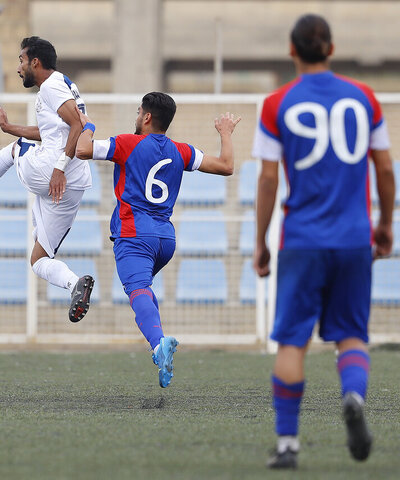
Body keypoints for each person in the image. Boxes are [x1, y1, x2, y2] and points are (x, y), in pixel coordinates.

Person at [252, 14, 396, 469]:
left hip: (303, 239)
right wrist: (385, 224)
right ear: (330, 49)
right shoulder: (366, 98)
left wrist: (261, 241)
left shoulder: (277, 104)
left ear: (292, 51)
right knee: (351, 335)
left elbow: (269, 178)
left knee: (293, 342)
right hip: (354, 238)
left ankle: (288, 445)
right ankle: (352, 396)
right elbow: (386, 169)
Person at [75, 92, 240, 387]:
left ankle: (158, 344)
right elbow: (227, 165)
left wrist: (87, 125)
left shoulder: (127, 143)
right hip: (165, 239)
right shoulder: (182, 151)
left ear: (147, 117)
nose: (136, 116)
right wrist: (225, 133)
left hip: (134, 234)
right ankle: (158, 343)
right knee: (142, 291)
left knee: (137, 289)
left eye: (139, 112)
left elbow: (82, 150)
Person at [0, 36, 95, 322]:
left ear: (35, 63)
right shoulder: (65, 86)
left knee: (15, 149)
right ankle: (74, 284)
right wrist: (9, 127)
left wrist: (59, 167)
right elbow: (55, 131)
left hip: (53, 173)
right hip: (74, 185)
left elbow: (78, 124)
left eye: (21, 61)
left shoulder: (50, 87)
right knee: (39, 260)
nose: (19, 68)